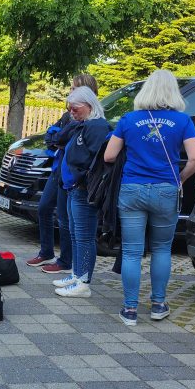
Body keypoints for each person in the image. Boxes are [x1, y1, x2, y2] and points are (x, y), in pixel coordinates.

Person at [104, 69, 195, 326]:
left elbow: (109, 156)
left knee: (132, 251)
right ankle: (158, 305)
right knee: (162, 249)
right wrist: (180, 179)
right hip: (165, 190)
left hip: (132, 189)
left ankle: (130, 309)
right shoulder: (183, 121)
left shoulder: (128, 119)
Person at [29, 73, 98, 274]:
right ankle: (46, 252)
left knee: (65, 218)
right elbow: (53, 137)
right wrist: (57, 138)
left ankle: (66, 262)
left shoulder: (89, 119)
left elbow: (65, 139)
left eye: (74, 88)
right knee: (44, 208)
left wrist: (59, 138)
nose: (70, 92)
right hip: (58, 168)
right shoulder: (69, 114)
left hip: (71, 174)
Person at [53, 86, 111, 297]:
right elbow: (59, 140)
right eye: (69, 108)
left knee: (84, 236)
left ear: (89, 106)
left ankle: (83, 282)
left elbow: (98, 160)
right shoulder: (83, 124)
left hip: (83, 189)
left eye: (75, 109)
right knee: (76, 234)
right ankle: (77, 274)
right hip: (74, 188)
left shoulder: (96, 127)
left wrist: (83, 180)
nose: (71, 112)